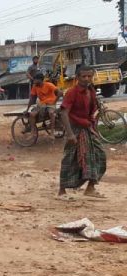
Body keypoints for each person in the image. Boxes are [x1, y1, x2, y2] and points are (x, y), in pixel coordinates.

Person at [58, 66, 106, 198]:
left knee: (99, 155)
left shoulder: (91, 91)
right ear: (77, 77)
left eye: (89, 76)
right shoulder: (72, 92)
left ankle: (90, 188)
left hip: (87, 128)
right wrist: (70, 134)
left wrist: (92, 126)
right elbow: (64, 112)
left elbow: (91, 112)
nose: (86, 79)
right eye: (83, 76)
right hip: (74, 129)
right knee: (70, 158)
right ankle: (61, 191)